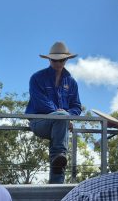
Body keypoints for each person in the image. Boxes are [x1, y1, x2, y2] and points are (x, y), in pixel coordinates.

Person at [27, 41, 82, 184]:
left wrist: (67, 116)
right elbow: (40, 102)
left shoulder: (72, 82)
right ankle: (59, 156)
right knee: (61, 123)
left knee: (60, 141)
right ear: (49, 59)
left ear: (67, 60)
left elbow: (76, 106)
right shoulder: (36, 78)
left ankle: (57, 183)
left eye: (61, 60)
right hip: (39, 122)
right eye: (54, 60)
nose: (58, 63)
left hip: (61, 125)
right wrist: (63, 116)